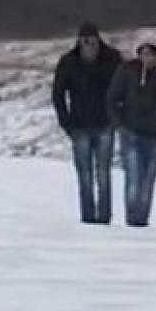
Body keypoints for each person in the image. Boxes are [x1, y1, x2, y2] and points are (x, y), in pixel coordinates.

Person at [52, 22, 123, 225]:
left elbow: (122, 88)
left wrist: (117, 117)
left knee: (103, 173)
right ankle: (88, 217)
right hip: (79, 125)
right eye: (85, 40)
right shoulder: (68, 62)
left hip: (105, 123)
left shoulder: (112, 59)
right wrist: (66, 122)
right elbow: (58, 94)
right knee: (84, 175)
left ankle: (104, 216)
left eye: (92, 39)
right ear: (79, 41)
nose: (89, 44)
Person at [107, 39, 156, 228]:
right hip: (131, 131)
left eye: (152, 54)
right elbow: (113, 97)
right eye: (144, 54)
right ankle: (132, 219)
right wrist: (119, 123)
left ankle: (142, 219)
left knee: (148, 179)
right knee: (134, 177)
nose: (148, 58)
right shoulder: (127, 71)